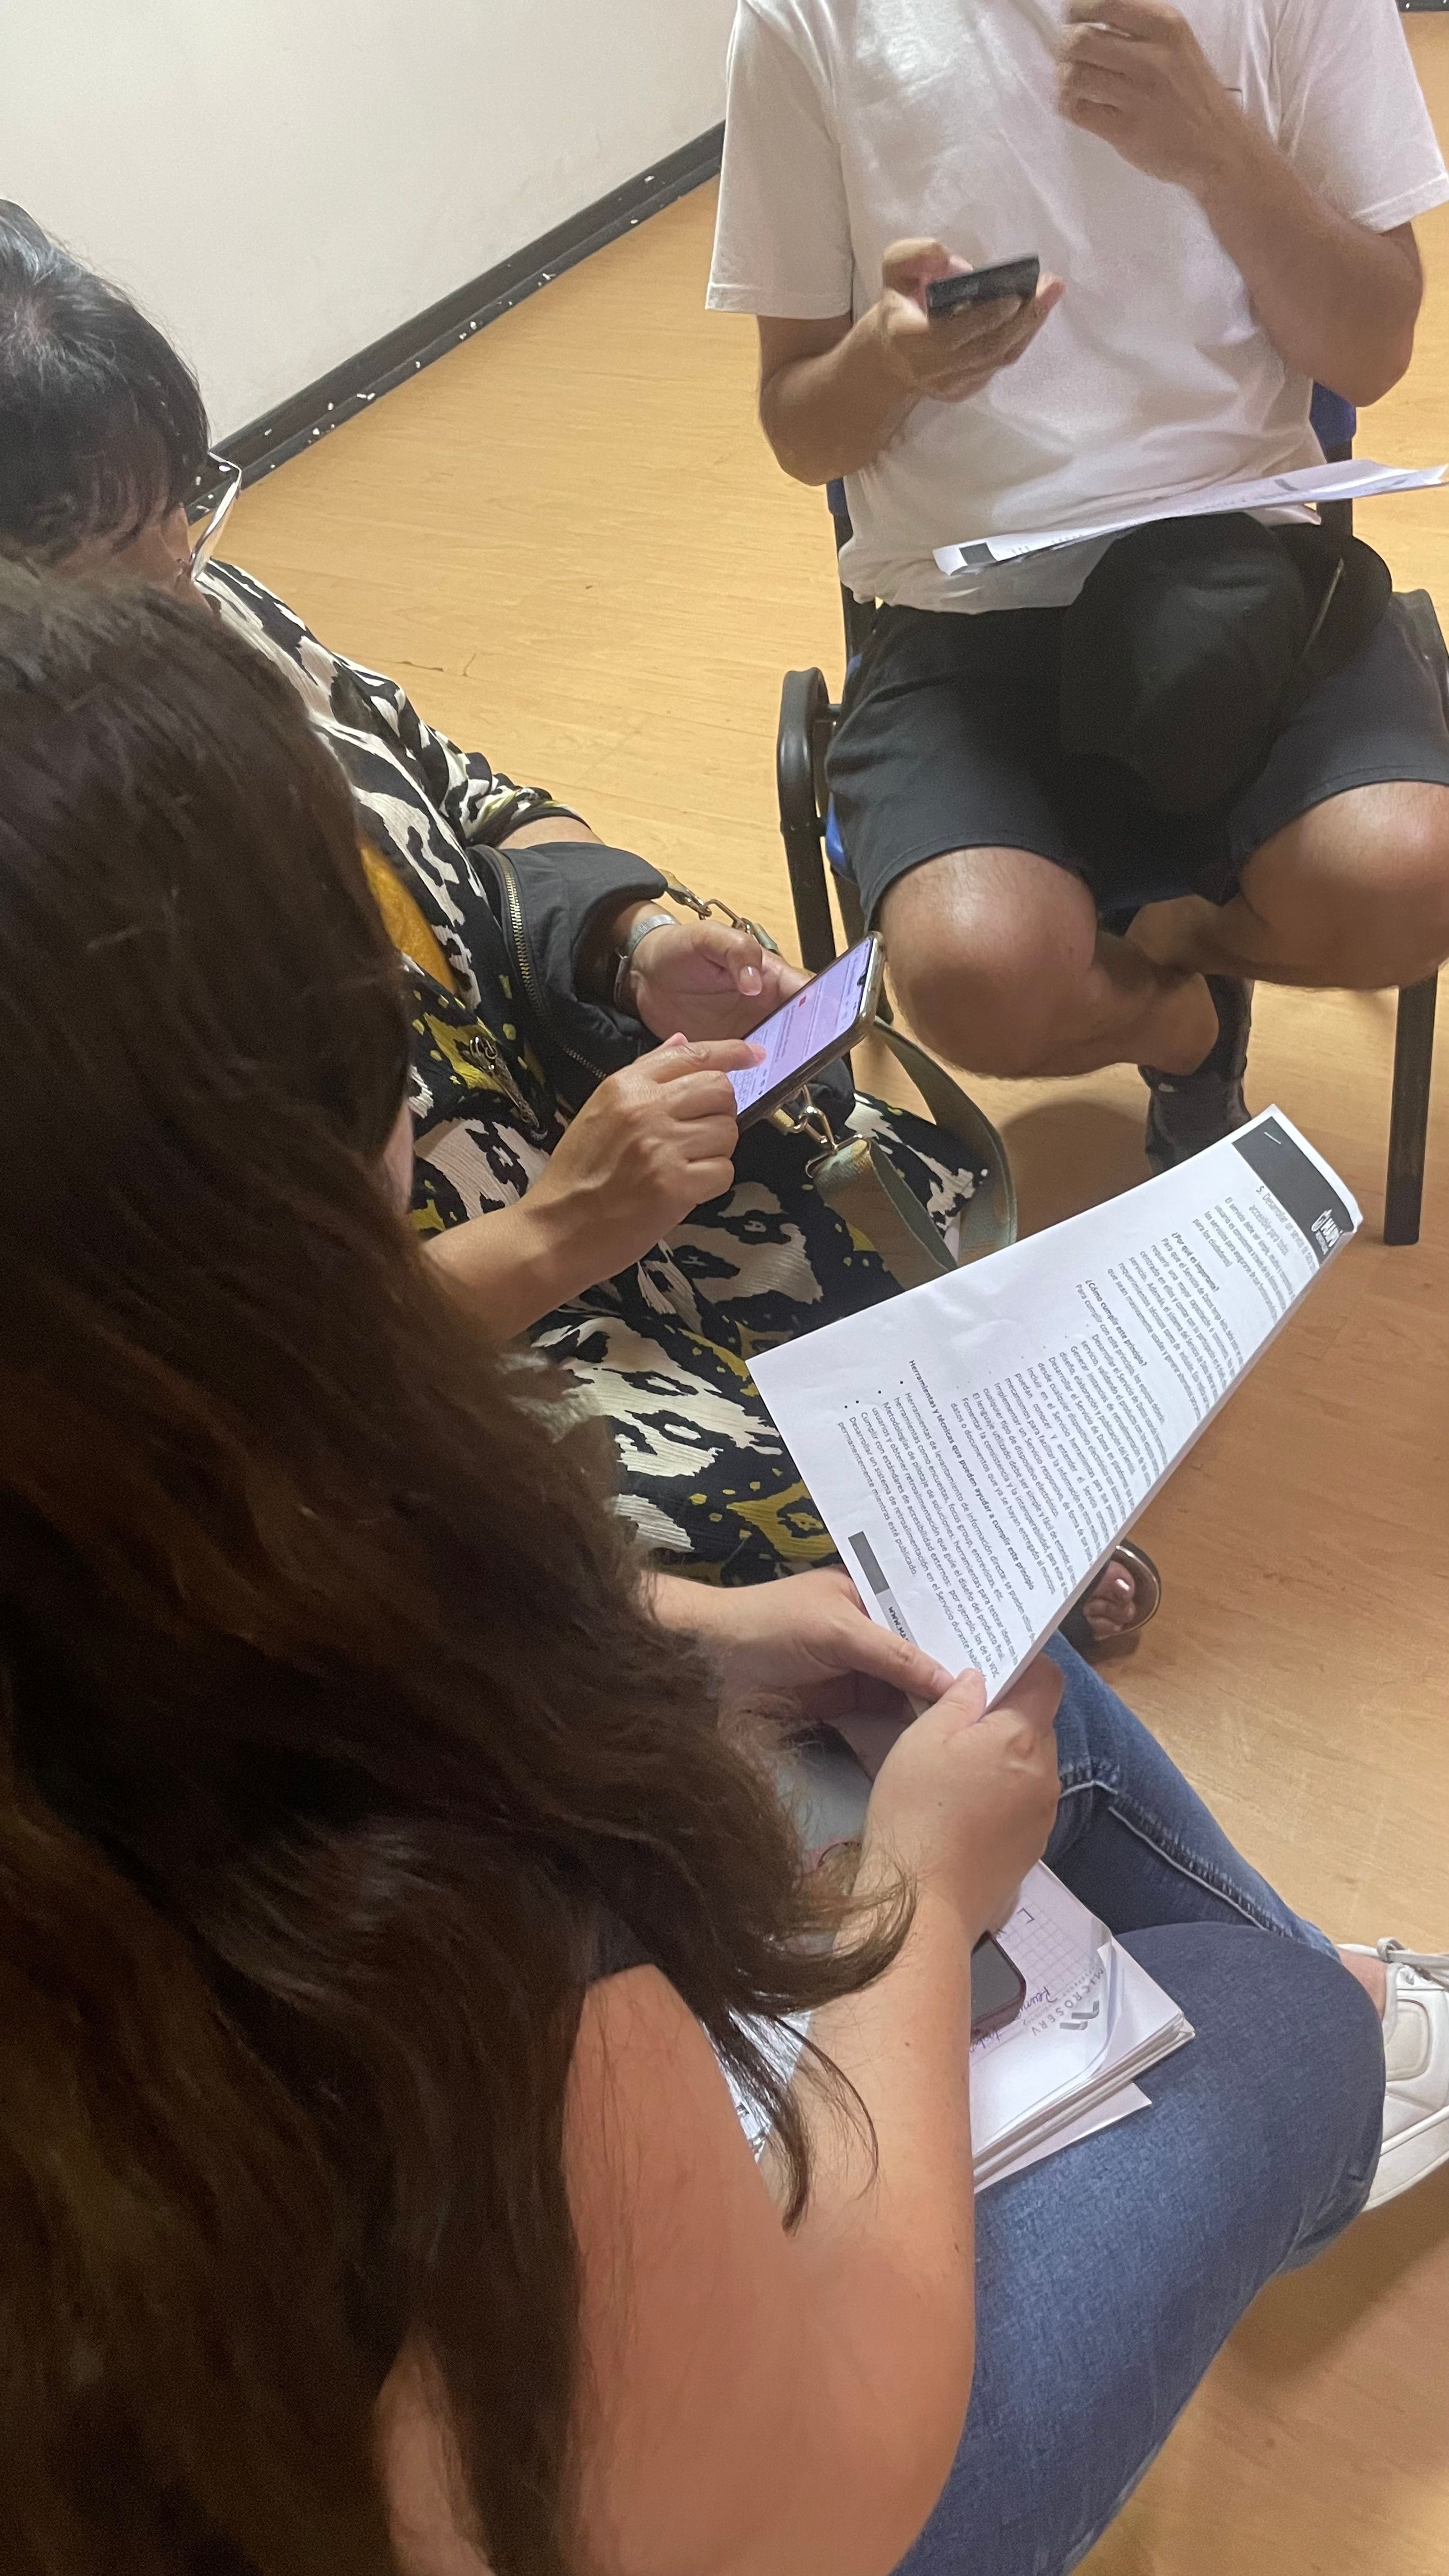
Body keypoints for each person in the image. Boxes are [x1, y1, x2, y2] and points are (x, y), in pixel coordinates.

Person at [3, 569, 1447, 2576]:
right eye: (368, 1077)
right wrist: (919, 1904)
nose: (412, 1111)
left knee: (910, 1668)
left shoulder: (106, 1500)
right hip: (703, 2478)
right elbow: (797, 2494)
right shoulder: (414, 1821)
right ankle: (1319, 2043)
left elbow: (478, 806)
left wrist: (692, 1630)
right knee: (1257, 2026)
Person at [0, 199, 1151, 1652]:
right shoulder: (47, 920)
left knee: (863, 1196)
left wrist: (632, 935)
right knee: (622, 1525)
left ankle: (980, 1518)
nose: (184, 560)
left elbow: (477, 798)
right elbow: (210, 1387)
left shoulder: (209, 608)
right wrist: (555, 1235)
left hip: (569, 1117)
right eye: (119, 545)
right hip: (405, 1325)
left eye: (182, 497)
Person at [709, 0, 1449, 1167]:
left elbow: (1372, 348)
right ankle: (1180, 1023)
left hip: (1240, 572)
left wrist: (1218, 146)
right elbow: (801, 430)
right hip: (959, 605)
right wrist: (885, 363)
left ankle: (1171, 932)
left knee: (1410, 881)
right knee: (971, 976)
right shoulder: (807, 18)